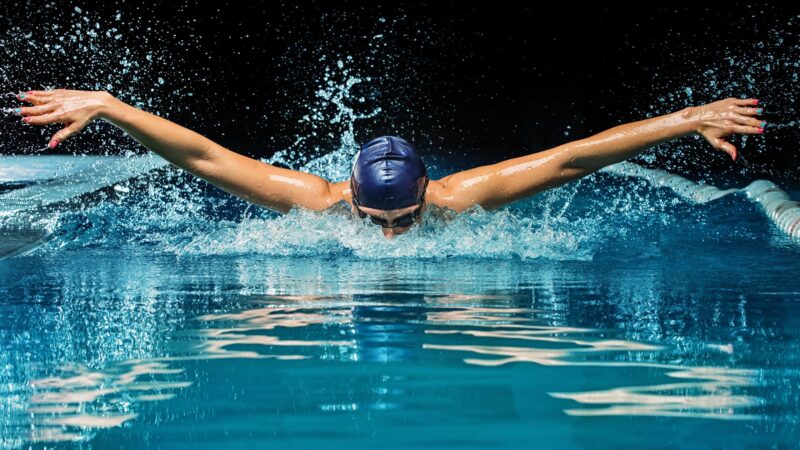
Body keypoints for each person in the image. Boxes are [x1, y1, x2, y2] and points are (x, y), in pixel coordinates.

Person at [14, 89, 765, 239]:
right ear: (347, 192)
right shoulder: (313, 200)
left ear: (427, 191)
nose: (391, 238)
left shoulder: (463, 198)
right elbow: (206, 156)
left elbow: (571, 158)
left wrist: (686, 119)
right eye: (374, 221)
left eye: (404, 219)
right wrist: (110, 105)